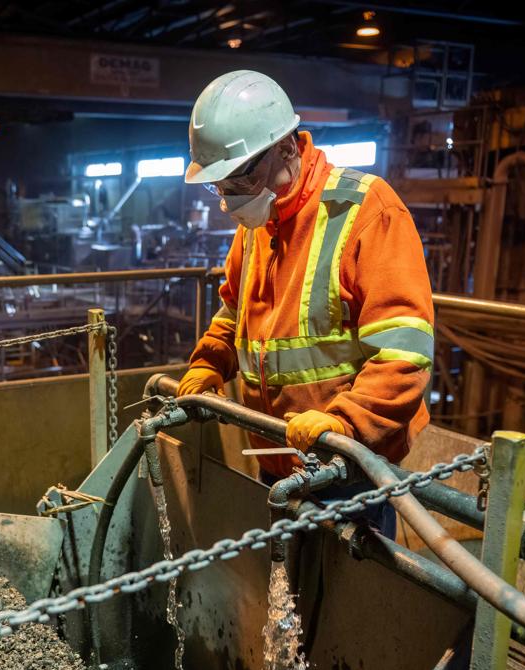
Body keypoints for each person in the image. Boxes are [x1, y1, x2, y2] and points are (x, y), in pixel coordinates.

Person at [178, 70, 434, 536]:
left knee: (352, 604)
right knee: (286, 599)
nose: (231, 198)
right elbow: (235, 313)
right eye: (222, 185)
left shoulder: (365, 212)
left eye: (241, 177)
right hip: (277, 463)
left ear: (287, 149)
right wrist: (210, 362)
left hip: (349, 476)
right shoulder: (257, 225)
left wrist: (343, 422)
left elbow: (405, 354)